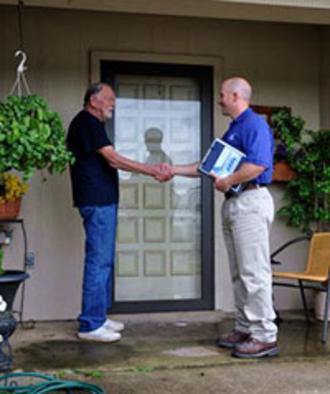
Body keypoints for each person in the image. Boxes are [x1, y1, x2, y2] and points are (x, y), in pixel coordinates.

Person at [167, 77, 277, 358]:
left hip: (251, 200)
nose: (219, 99)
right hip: (235, 202)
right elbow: (207, 167)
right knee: (239, 272)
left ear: (236, 95)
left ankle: (264, 335)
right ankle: (245, 327)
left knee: (254, 271)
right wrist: (173, 169)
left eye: (222, 95)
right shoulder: (234, 129)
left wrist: (228, 181)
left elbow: (259, 164)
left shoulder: (254, 125)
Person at [67, 82, 171, 342]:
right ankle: (90, 324)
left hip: (102, 200)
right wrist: (151, 170)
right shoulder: (86, 123)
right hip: (97, 201)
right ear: (94, 100)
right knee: (98, 261)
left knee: (104, 261)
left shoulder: (93, 124)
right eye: (109, 99)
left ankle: (98, 318)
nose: (113, 103)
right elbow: (113, 159)